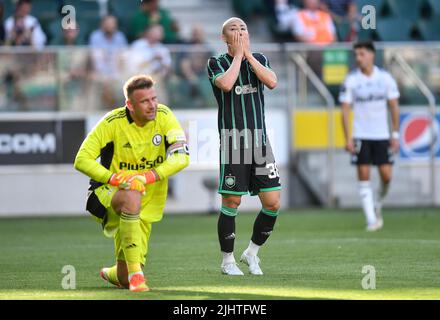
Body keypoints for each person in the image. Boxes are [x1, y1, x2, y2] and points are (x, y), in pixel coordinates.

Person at [74, 75, 190, 291]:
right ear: (130, 105)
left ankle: (116, 274)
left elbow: (181, 157)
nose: (152, 105)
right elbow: (81, 160)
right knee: (131, 194)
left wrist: (146, 177)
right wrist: (116, 179)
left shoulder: (164, 116)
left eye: (154, 98)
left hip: (147, 198)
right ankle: (138, 276)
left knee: (123, 277)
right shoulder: (112, 122)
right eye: (145, 101)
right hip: (107, 194)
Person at [207, 17, 281, 276]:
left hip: (260, 142)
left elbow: (271, 82)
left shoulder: (259, 58)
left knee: (272, 203)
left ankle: (251, 253)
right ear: (224, 37)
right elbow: (226, 84)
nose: (239, 32)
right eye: (233, 29)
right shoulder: (216, 62)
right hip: (233, 141)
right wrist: (238, 56)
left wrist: (248, 54)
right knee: (231, 200)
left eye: (243, 28)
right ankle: (227, 261)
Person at [340, 41, 400, 232]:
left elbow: (393, 106)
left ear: (372, 55)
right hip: (361, 135)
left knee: (386, 176)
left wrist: (395, 134)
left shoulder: (385, 79)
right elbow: (344, 110)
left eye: (362, 54)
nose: (359, 58)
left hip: (381, 135)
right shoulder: (351, 80)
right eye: (356, 55)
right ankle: (371, 220)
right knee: (364, 176)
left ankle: (377, 203)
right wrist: (348, 138)